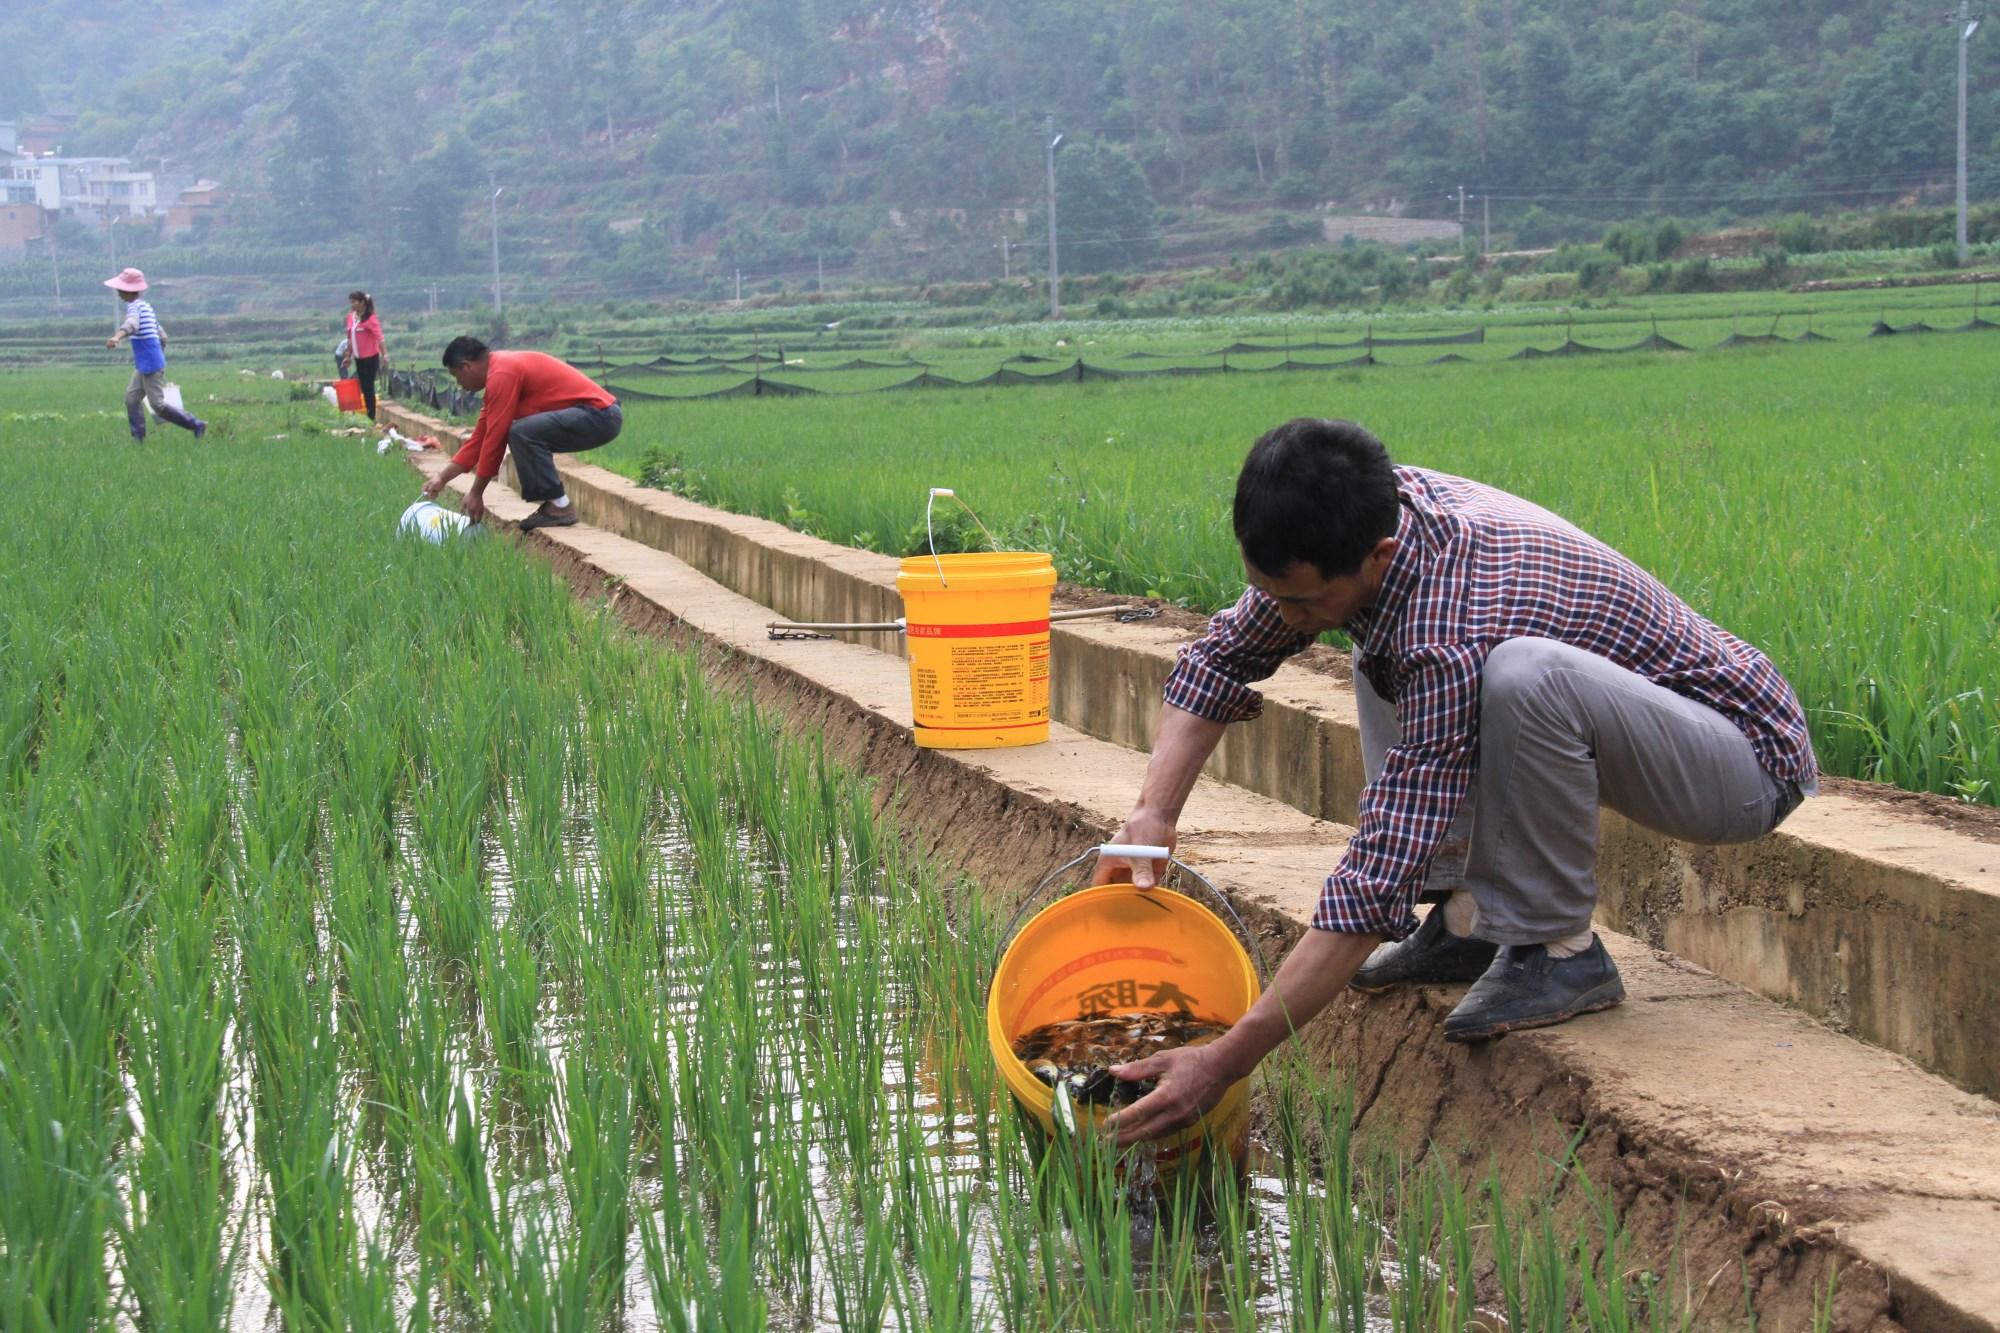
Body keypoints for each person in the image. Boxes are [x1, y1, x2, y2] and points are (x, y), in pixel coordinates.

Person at [1098, 418, 1816, 1146]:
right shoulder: (1368, 525)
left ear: (1376, 553)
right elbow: (1220, 658)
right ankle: (1470, 920)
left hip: (1743, 760)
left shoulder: (1450, 623)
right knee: (1377, 643)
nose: (1288, 618)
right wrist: (1153, 816)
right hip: (1640, 719)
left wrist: (1224, 1061)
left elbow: (1378, 873)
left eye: (1303, 599)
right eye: (1271, 594)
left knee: (1520, 678)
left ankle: (1561, 951)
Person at [420, 336, 622, 530]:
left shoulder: (502, 373)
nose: (459, 384)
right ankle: (556, 504)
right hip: (596, 416)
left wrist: (476, 492)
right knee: (522, 431)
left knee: (522, 432)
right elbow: (480, 438)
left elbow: (496, 437)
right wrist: (442, 478)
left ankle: (559, 505)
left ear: (467, 366)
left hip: (600, 415)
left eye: (456, 376)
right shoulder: (498, 376)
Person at [102, 267, 207, 441]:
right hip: (145, 364)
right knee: (131, 399)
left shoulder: (135, 308)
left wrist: (117, 337)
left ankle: (196, 424)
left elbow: (132, 324)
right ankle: (138, 440)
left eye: (119, 289)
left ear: (126, 291)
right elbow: (163, 336)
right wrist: (156, 354)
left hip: (150, 364)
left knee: (157, 405)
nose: (117, 292)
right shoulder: (146, 307)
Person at [341, 290, 384, 420]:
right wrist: (348, 356)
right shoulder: (351, 318)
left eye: (354, 302)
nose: (352, 304)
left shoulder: (370, 318)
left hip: (371, 358)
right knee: (364, 386)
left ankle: (371, 416)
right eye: (351, 302)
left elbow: (380, 338)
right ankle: (369, 414)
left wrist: (385, 355)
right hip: (359, 359)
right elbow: (350, 338)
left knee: (368, 386)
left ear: (362, 303)